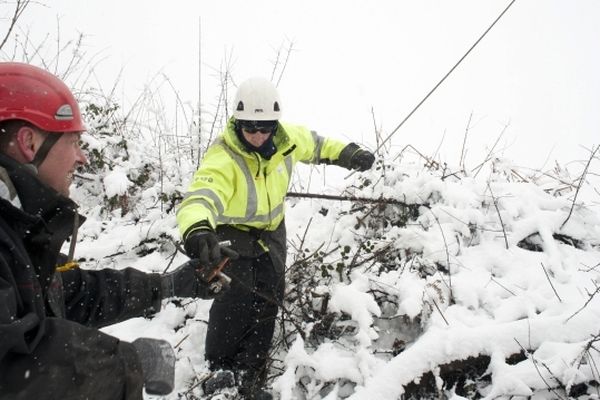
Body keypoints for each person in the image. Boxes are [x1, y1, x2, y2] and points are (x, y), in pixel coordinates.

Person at [0, 62, 223, 400]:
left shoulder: (16, 229)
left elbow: (67, 294)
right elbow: (10, 364)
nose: (82, 158)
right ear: (29, 142)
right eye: (73, 142)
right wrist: (126, 364)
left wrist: (167, 285)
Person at [176, 77, 375, 399]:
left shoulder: (287, 139)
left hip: (272, 232)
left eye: (264, 127)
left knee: (268, 296)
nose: (257, 135)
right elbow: (201, 195)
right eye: (250, 127)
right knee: (234, 297)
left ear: (274, 124)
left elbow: (318, 144)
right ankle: (221, 371)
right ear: (238, 122)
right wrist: (199, 229)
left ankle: (252, 373)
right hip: (230, 232)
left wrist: (349, 153)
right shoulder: (223, 156)